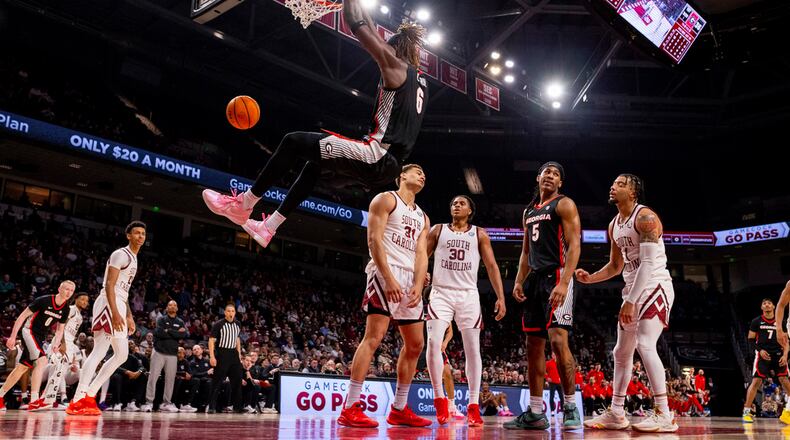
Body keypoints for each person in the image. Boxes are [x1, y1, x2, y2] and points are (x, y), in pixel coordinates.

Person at [202, 0, 429, 250]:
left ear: (395, 50)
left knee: (293, 141)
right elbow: (372, 28)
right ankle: (269, 227)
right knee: (315, 165)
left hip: (378, 154)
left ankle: (243, 204)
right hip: (388, 163)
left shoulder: (394, 65)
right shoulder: (420, 84)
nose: (382, 49)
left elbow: (357, 24)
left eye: (387, 47)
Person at [578, 174, 678, 432]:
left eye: (621, 184)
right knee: (621, 352)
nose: (613, 186)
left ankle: (664, 413)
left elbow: (646, 264)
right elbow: (615, 265)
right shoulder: (614, 224)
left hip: (654, 285)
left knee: (645, 344)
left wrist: (631, 301)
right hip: (633, 288)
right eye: (613, 183)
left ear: (633, 192)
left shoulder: (645, 218)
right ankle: (617, 412)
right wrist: (590, 279)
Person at [337, 164, 431, 428]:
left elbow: (422, 254)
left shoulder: (423, 217)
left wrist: (418, 284)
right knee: (374, 337)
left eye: (424, 175)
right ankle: (350, 406)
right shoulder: (386, 199)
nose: (422, 176)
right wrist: (388, 277)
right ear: (401, 176)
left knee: (415, 345)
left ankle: (399, 408)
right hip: (384, 271)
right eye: (417, 172)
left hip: (409, 280)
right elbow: (374, 240)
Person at [505, 162, 582, 431]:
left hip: (557, 274)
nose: (550, 175)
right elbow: (526, 252)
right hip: (535, 279)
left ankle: (570, 406)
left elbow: (574, 246)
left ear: (560, 182)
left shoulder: (564, 204)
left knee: (559, 341)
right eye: (546, 172)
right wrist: (518, 280)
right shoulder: (529, 210)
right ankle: (536, 413)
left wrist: (564, 282)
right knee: (533, 346)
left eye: (556, 173)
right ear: (538, 178)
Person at [425, 194, 507, 426]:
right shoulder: (438, 230)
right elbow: (422, 256)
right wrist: (420, 276)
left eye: (461, 203)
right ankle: (440, 399)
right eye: (453, 203)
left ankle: (472, 405)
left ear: (470, 210)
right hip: (440, 292)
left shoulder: (479, 233)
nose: (456, 205)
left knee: (473, 350)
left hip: (468, 295)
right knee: (433, 344)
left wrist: (501, 297)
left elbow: (491, 265)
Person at [67, 222, 146, 415]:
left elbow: (123, 291)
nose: (140, 237)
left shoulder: (134, 258)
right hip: (108, 303)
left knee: (121, 354)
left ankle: (89, 395)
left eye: (143, 234)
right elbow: (110, 285)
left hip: (118, 302)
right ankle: (78, 399)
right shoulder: (121, 254)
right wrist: (116, 312)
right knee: (100, 351)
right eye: (136, 233)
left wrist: (128, 315)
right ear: (128, 235)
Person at [0, 280, 75, 411]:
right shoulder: (43, 300)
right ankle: (34, 400)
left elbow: (59, 330)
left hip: (40, 337)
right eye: (66, 289)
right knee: (42, 360)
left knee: (22, 368)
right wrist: (12, 336)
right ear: (59, 289)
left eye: (71, 290)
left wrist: (57, 343)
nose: (68, 292)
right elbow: (21, 317)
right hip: (28, 331)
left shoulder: (66, 309)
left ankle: (0, 396)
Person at [741, 298, 790, 424]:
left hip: (778, 355)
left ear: (774, 306)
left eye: (769, 303)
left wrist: (785, 355)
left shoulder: (781, 322)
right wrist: (760, 350)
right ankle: (746, 411)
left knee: (785, 381)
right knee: (756, 381)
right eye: (764, 303)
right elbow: (751, 339)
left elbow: (786, 342)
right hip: (763, 355)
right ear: (761, 307)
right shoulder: (756, 321)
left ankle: (788, 411)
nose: (767, 305)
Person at [41, 291, 89, 409]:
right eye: (82, 299)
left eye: (87, 301)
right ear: (76, 299)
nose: (85, 302)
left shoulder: (80, 316)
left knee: (59, 371)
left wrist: (70, 346)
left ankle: (48, 399)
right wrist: (61, 342)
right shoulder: (71, 309)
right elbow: (60, 326)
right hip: (62, 341)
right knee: (56, 368)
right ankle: (52, 399)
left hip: (69, 342)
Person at [141, 300, 188, 413]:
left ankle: (166, 403)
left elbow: (183, 335)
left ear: (177, 308)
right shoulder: (161, 319)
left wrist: (169, 331)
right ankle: (149, 402)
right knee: (153, 378)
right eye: (170, 305)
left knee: (170, 380)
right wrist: (175, 332)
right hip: (159, 352)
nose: (172, 306)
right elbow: (159, 333)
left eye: (175, 305)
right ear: (167, 308)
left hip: (172, 354)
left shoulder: (180, 321)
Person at [207, 304, 243, 414]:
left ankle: (237, 407)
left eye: (232, 311)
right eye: (228, 311)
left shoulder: (238, 324)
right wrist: (212, 356)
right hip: (222, 353)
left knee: (237, 381)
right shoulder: (218, 324)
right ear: (225, 312)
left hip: (234, 354)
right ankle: (211, 407)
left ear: (235, 313)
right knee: (217, 381)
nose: (231, 313)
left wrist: (239, 353)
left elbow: (237, 339)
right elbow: (211, 340)